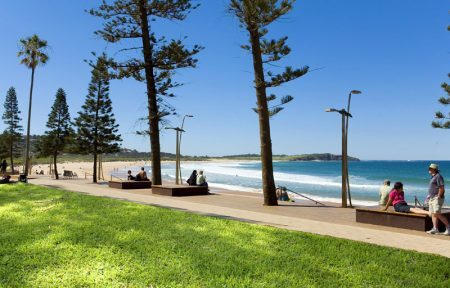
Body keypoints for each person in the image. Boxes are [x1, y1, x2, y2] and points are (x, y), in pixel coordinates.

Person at [426, 163, 450, 235]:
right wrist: (429, 196)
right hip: (432, 198)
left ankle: (448, 227)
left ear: (434, 169)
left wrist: (438, 196)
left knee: (437, 213)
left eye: (430, 169)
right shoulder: (433, 177)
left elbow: (441, 187)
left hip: (437, 198)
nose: (429, 170)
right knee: (433, 214)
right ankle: (435, 229)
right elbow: (434, 187)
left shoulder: (438, 176)